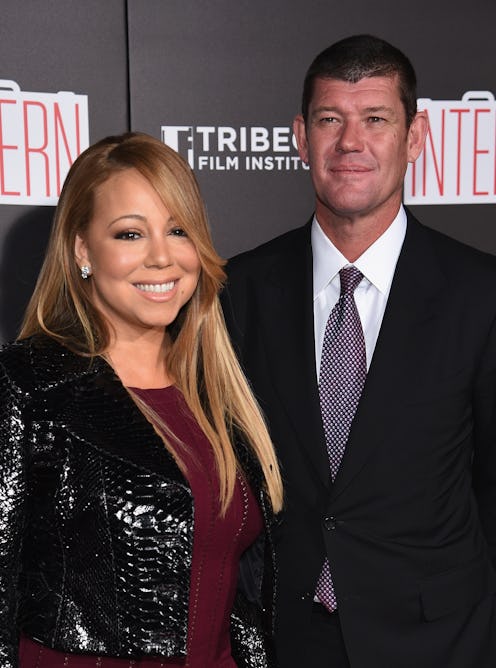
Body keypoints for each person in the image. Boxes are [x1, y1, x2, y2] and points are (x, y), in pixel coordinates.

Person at [221, 34, 496, 667]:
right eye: (329, 120)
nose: (351, 142)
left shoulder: (481, 294)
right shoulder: (238, 291)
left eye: (375, 119)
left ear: (415, 137)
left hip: (441, 641)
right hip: (283, 638)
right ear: (300, 137)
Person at [0, 131, 283, 668]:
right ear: (82, 250)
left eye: (178, 231)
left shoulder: (217, 391)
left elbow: (240, 595)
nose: (161, 257)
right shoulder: (28, 385)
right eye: (130, 234)